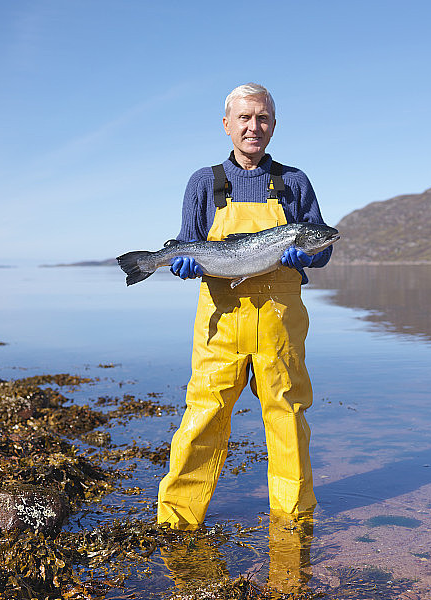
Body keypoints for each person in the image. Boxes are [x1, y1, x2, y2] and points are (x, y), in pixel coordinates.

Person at [157, 83, 332, 531]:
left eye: (263, 118)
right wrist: (184, 264)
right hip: (221, 318)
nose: (254, 127)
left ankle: (294, 523)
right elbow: (188, 240)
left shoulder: (294, 182)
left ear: (273, 125)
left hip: (280, 319)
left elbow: (322, 245)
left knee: (286, 417)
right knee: (203, 414)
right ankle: (177, 522)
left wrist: (308, 255)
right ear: (227, 125)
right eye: (244, 118)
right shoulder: (204, 181)